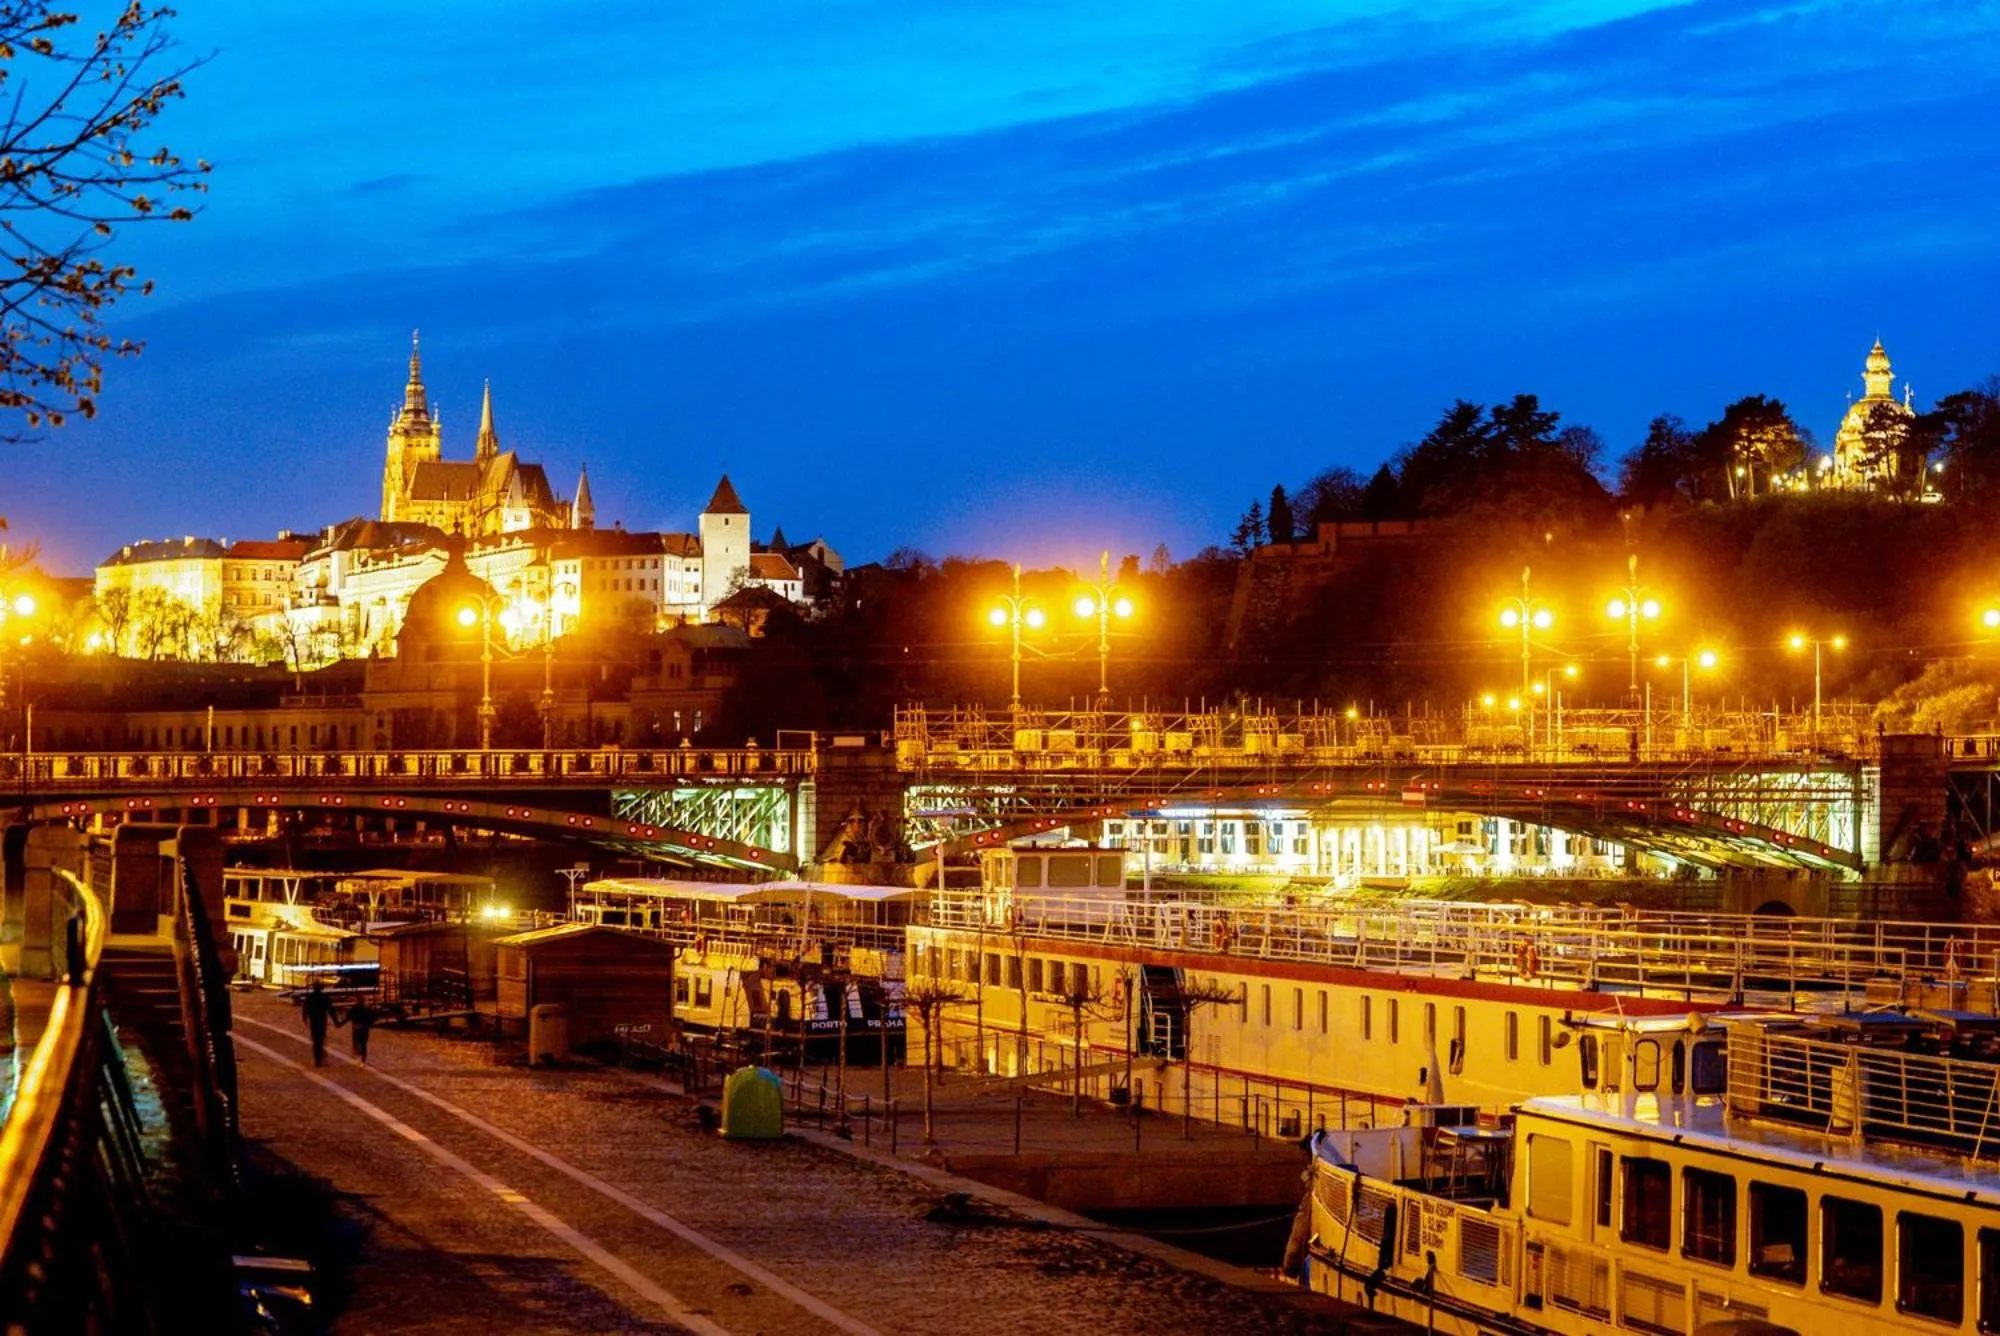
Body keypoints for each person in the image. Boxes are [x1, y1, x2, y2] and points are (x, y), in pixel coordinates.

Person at [301, 978, 336, 1067]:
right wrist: (336, 1021)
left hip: (314, 1020)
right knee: (320, 1039)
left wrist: (305, 1018)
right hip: (321, 1020)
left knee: (316, 1040)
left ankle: (318, 1059)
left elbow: (305, 1009)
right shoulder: (324, 997)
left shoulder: (310, 997)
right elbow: (331, 1010)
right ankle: (319, 1058)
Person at [342, 998, 381, 1065]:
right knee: (363, 1043)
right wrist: (368, 1024)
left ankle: (358, 1054)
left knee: (357, 1041)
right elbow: (374, 1017)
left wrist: (340, 1023)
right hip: (364, 1028)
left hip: (357, 1027)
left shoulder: (355, 1008)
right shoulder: (366, 1009)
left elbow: (348, 1017)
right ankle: (363, 1058)